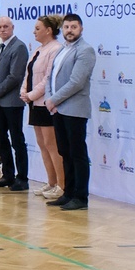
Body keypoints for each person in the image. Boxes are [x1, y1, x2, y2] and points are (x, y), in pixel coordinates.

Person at [45, 13, 98, 210]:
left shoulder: (85, 50)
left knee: (77, 154)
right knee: (64, 152)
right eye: (66, 27)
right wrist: (50, 98)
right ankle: (68, 193)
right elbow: (50, 77)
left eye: (74, 27)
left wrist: (53, 99)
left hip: (75, 110)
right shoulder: (62, 49)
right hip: (58, 109)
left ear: (81, 29)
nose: (69, 30)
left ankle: (81, 197)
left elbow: (76, 82)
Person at [21, 15, 65, 200]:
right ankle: (51, 182)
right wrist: (24, 91)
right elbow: (29, 74)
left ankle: (61, 185)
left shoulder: (56, 49)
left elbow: (48, 78)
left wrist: (32, 94)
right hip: (34, 104)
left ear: (49, 30)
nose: (34, 32)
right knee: (42, 144)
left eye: (38, 29)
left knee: (51, 144)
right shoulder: (38, 50)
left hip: (45, 103)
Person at [0, 17, 30, 192]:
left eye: (5, 26)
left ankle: (22, 178)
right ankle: (7, 175)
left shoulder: (19, 47)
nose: (2, 29)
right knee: (1, 140)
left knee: (17, 140)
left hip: (11, 102)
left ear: (12, 27)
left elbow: (15, 76)